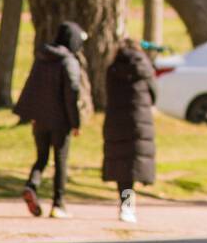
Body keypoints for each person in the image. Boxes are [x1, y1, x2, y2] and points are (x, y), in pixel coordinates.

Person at [13, 21, 87, 219]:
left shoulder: (42, 58)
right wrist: (75, 122)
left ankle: (31, 186)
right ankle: (58, 203)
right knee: (60, 161)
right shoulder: (68, 61)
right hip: (60, 121)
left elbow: (32, 87)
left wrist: (30, 114)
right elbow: (71, 93)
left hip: (40, 119)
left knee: (42, 157)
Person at [102, 37, 157, 223]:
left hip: (116, 120)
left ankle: (125, 202)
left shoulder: (113, 69)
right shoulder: (145, 67)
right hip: (139, 120)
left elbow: (107, 94)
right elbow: (154, 93)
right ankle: (128, 204)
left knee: (121, 165)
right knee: (134, 162)